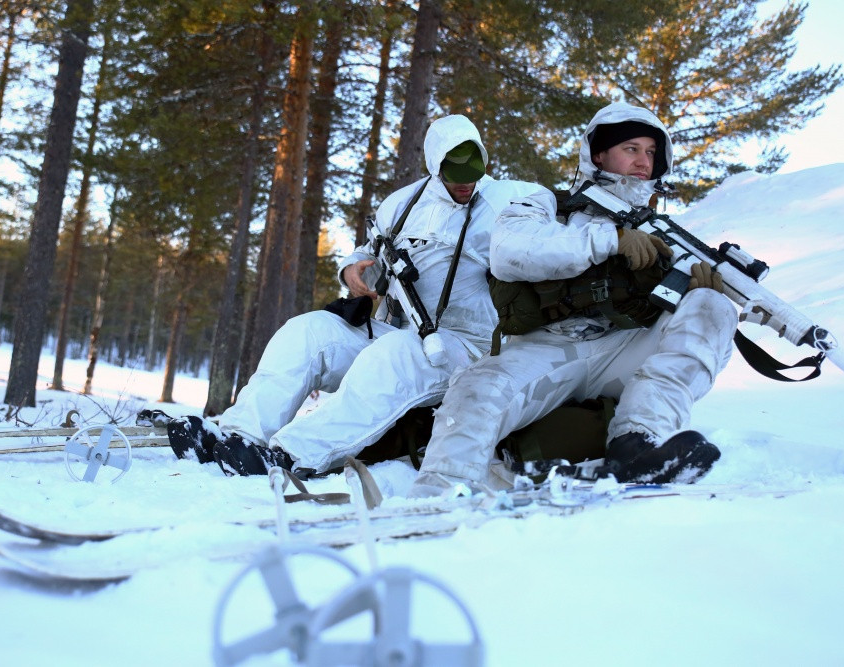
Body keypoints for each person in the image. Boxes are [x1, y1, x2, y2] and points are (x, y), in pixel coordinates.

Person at [164, 114, 541, 476]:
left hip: (470, 349)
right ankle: (240, 435)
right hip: (404, 333)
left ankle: (293, 453)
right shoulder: (402, 204)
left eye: (472, 175)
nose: (465, 185)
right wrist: (352, 268)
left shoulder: (507, 201)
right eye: (454, 175)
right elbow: (370, 249)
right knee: (309, 332)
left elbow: (561, 215)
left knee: (393, 357)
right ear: (434, 165)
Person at [410, 102, 738, 497]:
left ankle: (638, 441)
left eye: (651, 152)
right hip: (547, 349)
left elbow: (687, 325)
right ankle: (437, 494)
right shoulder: (548, 206)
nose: (643, 162)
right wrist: (610, 240)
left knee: (715, 307)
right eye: (631, 149)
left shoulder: (664, 234)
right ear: (599, 155)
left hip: (625, 349)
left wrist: (700, 289)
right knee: (479, 388)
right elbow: (510, 251)